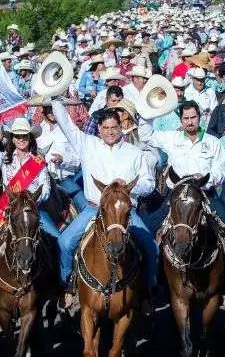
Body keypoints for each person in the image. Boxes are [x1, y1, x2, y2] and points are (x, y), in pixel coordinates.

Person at [51, 100, 158, 309]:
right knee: (64, 242)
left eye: (114, 128)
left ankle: (147, 291)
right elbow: (66, 124)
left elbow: (149, 184)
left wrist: (128, 187)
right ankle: (68, 287)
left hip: (124, 212)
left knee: (151, 247)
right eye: (106, 128)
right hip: (94, 208)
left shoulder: (134, 152)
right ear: (99, 129)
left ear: (121, 128)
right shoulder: (87, 144)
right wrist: (56, 101)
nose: (110, 132)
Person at [139, 101, 225, 234]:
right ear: (181, 120)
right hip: (175, 196)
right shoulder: (171, 138)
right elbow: (146, 136)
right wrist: (147, 113)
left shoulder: (213, 141)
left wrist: (205, 179)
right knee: (147, 229)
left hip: (204, 195)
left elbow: (221, 171)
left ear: (199, 117)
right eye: (186, 118)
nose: (190, 122)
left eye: (193, 117)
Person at [0, 112, 60, 239]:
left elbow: (45, 190)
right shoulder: (5, 158)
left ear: (30, 138)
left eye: (24, 135)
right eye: (17, 136)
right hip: (8, 209)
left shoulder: (38, 161)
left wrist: (30, 199)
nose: (21, 139)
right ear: (12, 138)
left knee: (58, 240)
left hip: (33, 210)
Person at [38, 105, 86, 211]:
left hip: (63, 178)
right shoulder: (39, 130)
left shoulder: (70, 130)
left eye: (53, 108)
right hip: (41, 178)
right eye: (49, 108)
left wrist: (63, 160)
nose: (51, 111)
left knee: (84, 205)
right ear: (44, 111)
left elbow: (78, 159)